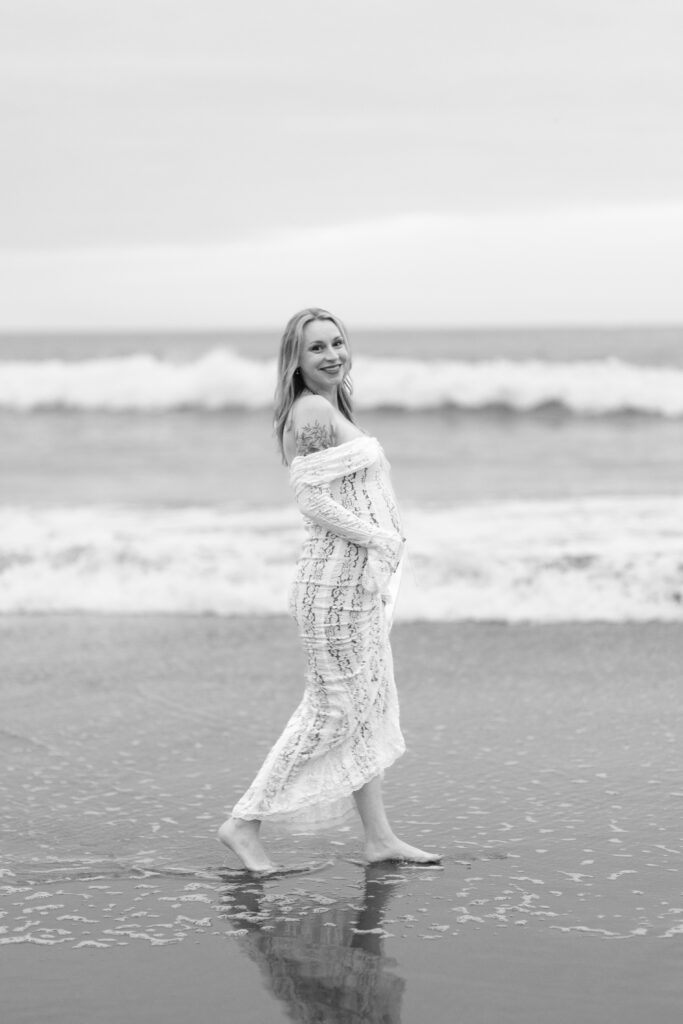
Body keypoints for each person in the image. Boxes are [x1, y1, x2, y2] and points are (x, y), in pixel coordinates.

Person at [218, 308, 441, 872]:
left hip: (354, 583)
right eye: (316, 348)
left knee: (361, 709)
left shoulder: (329, 406)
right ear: (295, 359)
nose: (332, 355)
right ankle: (244, 823)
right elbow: (311, 500)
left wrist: (381, 548)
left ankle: (379, 838)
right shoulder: (313, 409)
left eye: (337, 342)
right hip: (334, 586)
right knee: (335, 711)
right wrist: (381, 540)